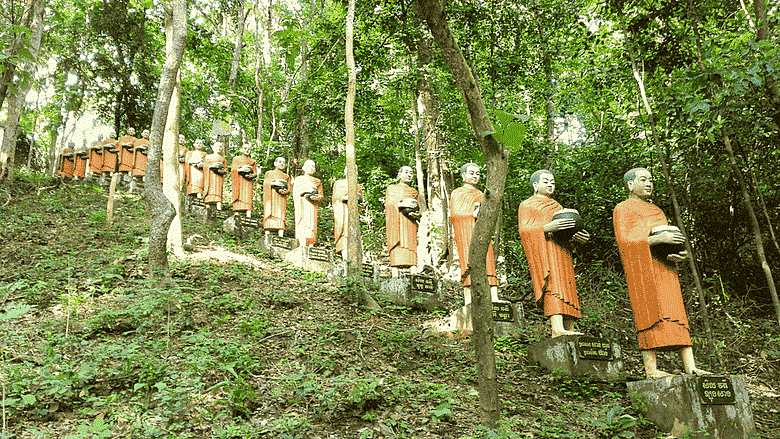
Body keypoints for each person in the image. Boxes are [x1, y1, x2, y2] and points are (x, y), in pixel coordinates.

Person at [614, 167, 711, 378]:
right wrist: (656, 240)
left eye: (650, 180)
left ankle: (690, 366)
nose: (649, 183)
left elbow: (668, 239)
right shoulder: (622, 209)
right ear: (631, 185)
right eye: (643, 180)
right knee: (648, 312)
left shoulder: (657, 211)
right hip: (642, 268)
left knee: (676, 313)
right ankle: (651, 369)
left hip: (665, 268)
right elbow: (624, 242)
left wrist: (678, 253)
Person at [518, 169, 590, 338]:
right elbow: (524, 230)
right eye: (545, 181)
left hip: (562, 251)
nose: (550, 184)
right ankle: (557, 328)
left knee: (567, 285)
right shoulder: (527, 205)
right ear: (535, 185)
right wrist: (546, 228)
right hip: (546, 253)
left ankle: (570, 326)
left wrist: (578, 237)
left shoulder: (558, 206)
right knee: (553, 285)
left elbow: (565, 231)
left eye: (552, 182)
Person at [450, 163, 499, 304]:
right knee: (467, 260)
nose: (475, 176)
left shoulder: (481, 194)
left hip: (481, 231)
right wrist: (472, 214)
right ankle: (468, 298)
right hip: (465, 231)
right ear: (463, 175)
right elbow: (455, 214)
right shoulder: (457, 193)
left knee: (488, 259)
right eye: (471, 173)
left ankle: (494, 296)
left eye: (477, 173)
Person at [385, 166, 420, 276]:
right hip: (396, 222)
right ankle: (395, 275)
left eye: (411, 173)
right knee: (397, 247)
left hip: (409, 223)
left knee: (411, 247)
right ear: (399, 175)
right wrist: (401, 204)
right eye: (406, 172)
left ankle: (413, 275)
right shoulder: (392, 188)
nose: (409, 175)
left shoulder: (414, 191)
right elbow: (390, 204)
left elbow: (419, 209)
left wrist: (416, 215)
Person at [332, 166, 363, 260]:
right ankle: (345, 257)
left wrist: (358, 201)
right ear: (345, 171)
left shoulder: (358, 187)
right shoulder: (339, 183)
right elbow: (336, 198)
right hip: (343, 211)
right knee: (344, 231)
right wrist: (346, 198)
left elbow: (360, 204)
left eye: (355, 170)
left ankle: (353, 258)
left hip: (352, 212)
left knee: (353, 232)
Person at [292, 159, 324, 248]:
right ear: (304, 168)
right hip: (303, 203)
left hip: (313, 205)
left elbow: (321, 195)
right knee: (303, 221)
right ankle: (302, 242)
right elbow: (296, 192)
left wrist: (318, 197)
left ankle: (311, 244)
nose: (311, 168)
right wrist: (304, 193)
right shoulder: (299, 179)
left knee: (312, 223)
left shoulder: (317, 181)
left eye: (313, 166)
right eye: (309, 166)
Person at [263, 157, 291, 241]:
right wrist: (273, 183)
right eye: (280, 162)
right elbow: (266, 184)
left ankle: (280, 236)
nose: (282, 164)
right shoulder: (269, 173)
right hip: (271, 196)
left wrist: (285, 191)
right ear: (275, 163)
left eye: (283, 162)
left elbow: (289, 189)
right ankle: (267, 235)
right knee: (270, 212)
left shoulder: (286, 176)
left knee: (281, 214)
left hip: (281, 198)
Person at [231, 143, 257, 217]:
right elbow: (233, 170)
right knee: (238, 196)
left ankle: (248, 215)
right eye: (245, 148)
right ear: (241, 149)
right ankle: (236, 215)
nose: (247, 150)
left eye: (249, 149)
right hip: (239, 180)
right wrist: (241, 170)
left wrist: (251, 175)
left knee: (248, 196)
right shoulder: (236, 159)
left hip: (248, 182)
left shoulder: (252, 161)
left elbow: (255, 173)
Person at [203, 141, 227, 209]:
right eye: (217, 146)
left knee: (218, 191)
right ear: (213, 147)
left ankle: (218, 207)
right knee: (209, 190)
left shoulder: (222, 159)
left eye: (220, 147)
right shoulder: (208, 157)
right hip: (210, 176)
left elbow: (225, 170)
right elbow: (205, 167)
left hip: (218, 177)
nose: (218, 148)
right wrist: (211, 167)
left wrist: (220, 171)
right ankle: (207, 205)